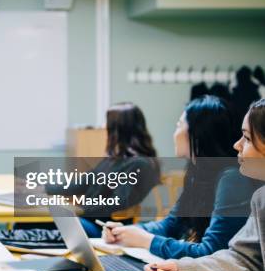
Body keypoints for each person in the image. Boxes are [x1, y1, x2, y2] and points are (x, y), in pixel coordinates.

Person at [145, 99, 265, 271]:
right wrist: (184, 269)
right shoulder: (262, 198)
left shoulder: (232, 179)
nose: (236, 145)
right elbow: (245, 259)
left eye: (247, 138)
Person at [104, 95, 257, 259]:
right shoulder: (198, 173)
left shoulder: (231, 179)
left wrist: (148, 241)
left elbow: (210, 252)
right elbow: (171, 224)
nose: (174, 133)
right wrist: (129, 232)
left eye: (178, 126)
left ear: (197, 134)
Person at [46, 102, 160, 237]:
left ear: (119, 129)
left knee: (37, 223)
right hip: (88, 219)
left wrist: (80, 209)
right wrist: (44, 188)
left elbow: (118, 202)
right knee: (27, 223)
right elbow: (81, 183)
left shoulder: (140, 165)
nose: (104, 127)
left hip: (105, 230)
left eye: (108, 123)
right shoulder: (114, 158)